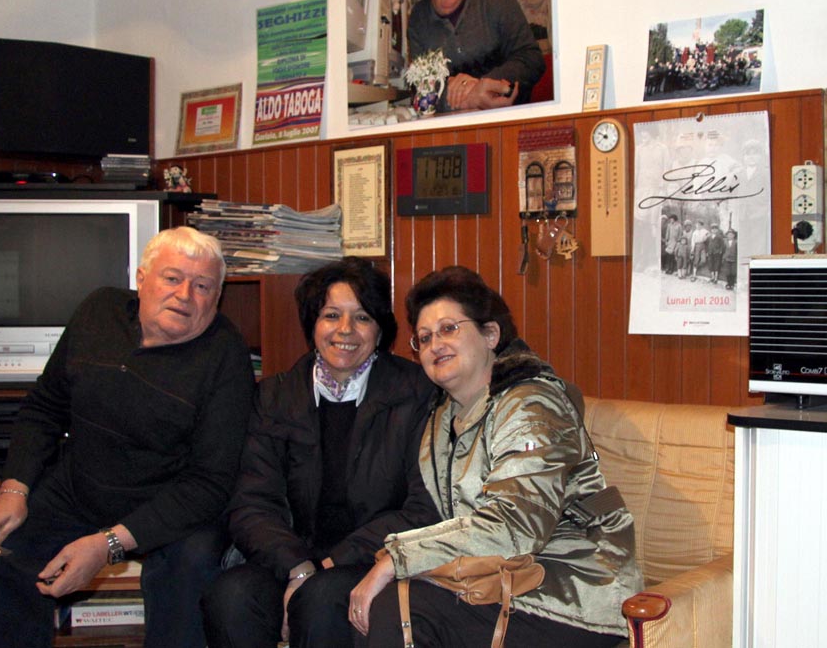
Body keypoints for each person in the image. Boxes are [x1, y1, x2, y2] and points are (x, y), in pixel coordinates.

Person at [0, 226, 255, 648]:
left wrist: (108, 545)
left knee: (190, 568)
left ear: (217, 297)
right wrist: (13, 489)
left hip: (172, 505)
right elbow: (45, 406)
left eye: (202, 286)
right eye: (172, 278)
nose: (184, 295)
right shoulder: (98, 311)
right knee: (5, 544)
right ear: (141, 279)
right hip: (80, 486)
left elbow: (209, 483)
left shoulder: (227, 357)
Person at [349, 266, 642, 648]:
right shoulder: (443, 418)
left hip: (576, 590)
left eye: (449, 328)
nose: (435, 344)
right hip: (498, 576)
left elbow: (516, 524)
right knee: (363, 600)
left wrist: (398, 558)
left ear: (490, 335)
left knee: (403, 608)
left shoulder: (531, 405)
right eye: (424, 337)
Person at [202, 257, 439, 648]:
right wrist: (297, 567)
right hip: (287, 557)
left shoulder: (416, 393)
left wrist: (328, 565)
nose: (345, 330)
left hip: (372, 558)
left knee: (322, 600)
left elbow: (423, 507)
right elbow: (250, 502)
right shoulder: (274, 397)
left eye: (362, 317)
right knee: (231, 599)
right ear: (312, 325)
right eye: (331, 315)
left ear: (380, 329)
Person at [408, 0, 546, 111]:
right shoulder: (418, 18)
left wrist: (484, 85)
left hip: (511, 118)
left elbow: (532, 58)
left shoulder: (497, 1)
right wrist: (464, 100)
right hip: (453, 126)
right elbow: (419, 89)